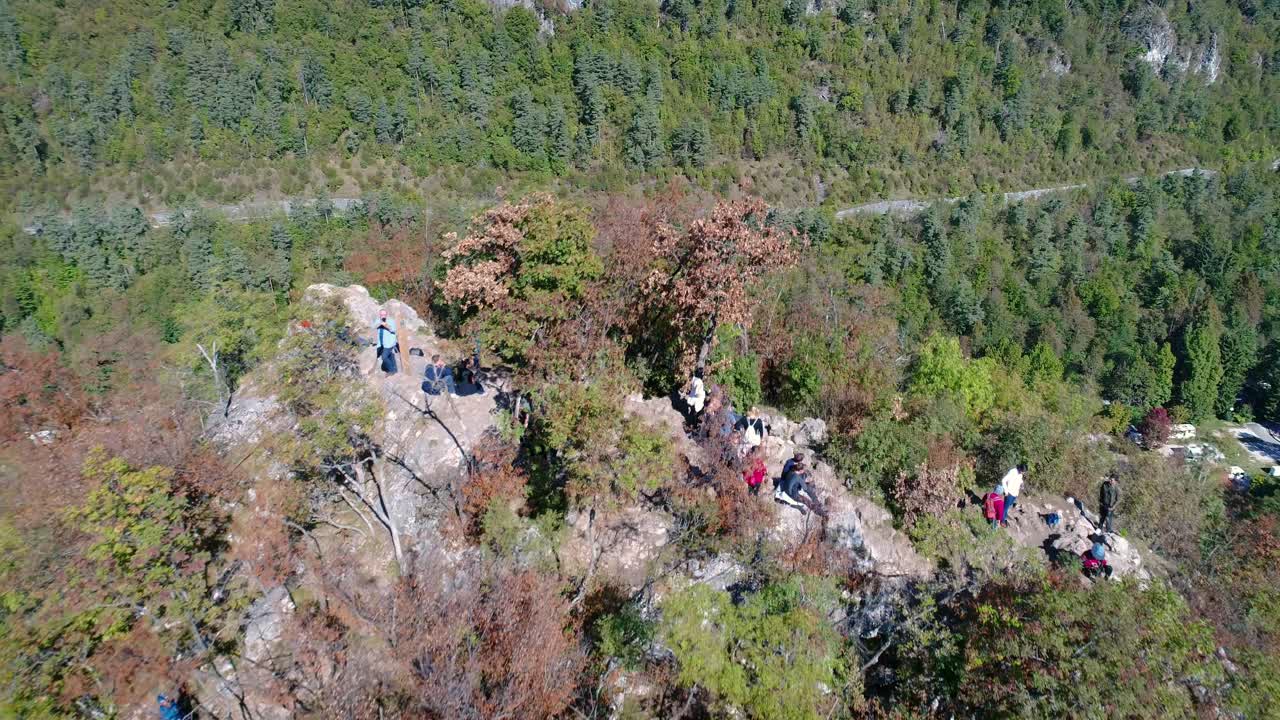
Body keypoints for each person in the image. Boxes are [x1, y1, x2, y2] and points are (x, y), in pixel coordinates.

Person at [374, 309, 398, 375]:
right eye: (381, 314)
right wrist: (380, 323)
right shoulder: (378, 320)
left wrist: (386, 325)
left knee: (384, 356)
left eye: (384, 314)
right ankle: (395, 369)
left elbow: (394, 329)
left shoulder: (391, 321)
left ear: (386, 315)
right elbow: (373, 326)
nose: (383, 316)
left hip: (389, 343)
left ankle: (391, 370)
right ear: (379, 315)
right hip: (381, 343)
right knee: (389, 355)